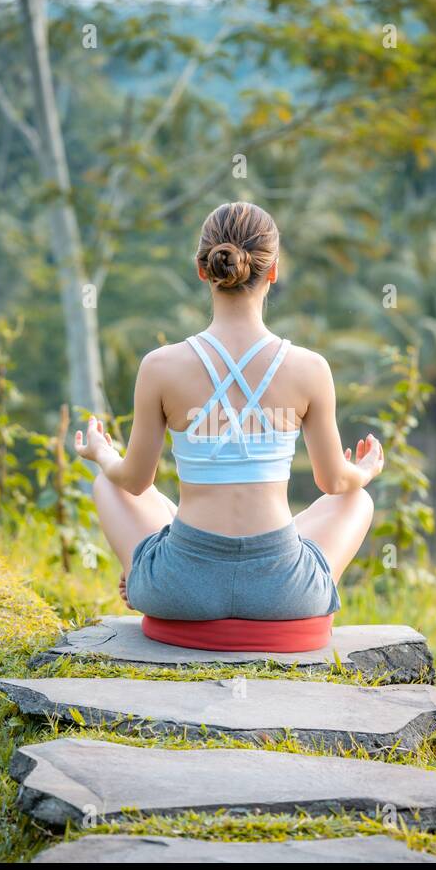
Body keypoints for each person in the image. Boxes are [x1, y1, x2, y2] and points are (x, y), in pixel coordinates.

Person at [75, 201, 385, 623]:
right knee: (356, 500)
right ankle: (281, 591)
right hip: (283, 592)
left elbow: (133, 482)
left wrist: (101, 453)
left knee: (108, 485)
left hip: (180, 588)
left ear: (203, 269)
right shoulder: (310, 368)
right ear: (273, 270)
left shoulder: (160, 366)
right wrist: (364, 471)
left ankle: (146, 576)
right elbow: (333, 482)